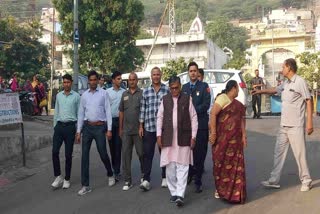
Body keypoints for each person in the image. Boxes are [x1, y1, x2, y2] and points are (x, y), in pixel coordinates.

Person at [253, 58, 313, 192]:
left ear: (289, 68)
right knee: (278, 153)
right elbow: (275, 90)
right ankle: (273, 180)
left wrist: (309, 122)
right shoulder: (285, 83)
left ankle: (306, 180)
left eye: (283, 67)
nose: (282, 70)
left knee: (300, 154)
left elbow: (308, 100)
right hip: (283, 126)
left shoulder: (300, 82)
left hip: (296, 126)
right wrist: (260, 91)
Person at [157, 76, 198, 207]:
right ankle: (173, 192)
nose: (174, 90)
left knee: (183, 166)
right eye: (172, 88)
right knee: (169, 167)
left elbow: (194, 118)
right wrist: (158, 135)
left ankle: (180, 194)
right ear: (169, 88)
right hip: (168, 138)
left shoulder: (187, 99)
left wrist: (193, 136)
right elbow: (159, 118)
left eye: (176, 88)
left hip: (184, 137)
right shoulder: (165, 99)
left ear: (180, 87)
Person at [76, 70, 115, 196]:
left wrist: (109, 129)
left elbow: (108, 111)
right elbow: (81, 113)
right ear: (88, 81)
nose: (92, 82)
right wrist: (78, 131)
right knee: (84, 157)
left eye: (94, 80)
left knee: (103, 152)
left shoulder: (103, 94)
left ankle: (110, 173)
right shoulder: (84, 95)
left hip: (100, 127)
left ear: (98, 81)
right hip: (87, 128)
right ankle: (85, 185)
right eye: (90, 80)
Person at [209, 80, 247, 203]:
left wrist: (244, 136)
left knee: (236, 166)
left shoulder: (238, 105)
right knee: (220, 164)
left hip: (235, 142)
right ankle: (221, 190)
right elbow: (213, 114)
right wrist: (213, 133)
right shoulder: (222, 98)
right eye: (238, 89)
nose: (238, 92)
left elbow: (241, 120)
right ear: (234, 88)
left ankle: (236, 194)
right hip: (222, 140)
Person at [139, 67, 170, 191]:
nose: (156, 76)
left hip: (162, 129)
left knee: (164, 153)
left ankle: (165, 177)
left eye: (158, 74)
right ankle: (146, 180)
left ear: (161, 75)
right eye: (154, 74)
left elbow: (169, 109)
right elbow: (142, 110)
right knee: (148, 155)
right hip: (149, 127)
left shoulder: (167, 90)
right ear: (151, 76)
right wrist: (140, 126)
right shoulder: (145, 91)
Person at [182, 62, 211, 193]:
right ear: (188, 72)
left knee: (200, 154)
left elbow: (206, 104)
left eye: (195, 71)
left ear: (198, 72)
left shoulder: (204, 86)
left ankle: (198, 180)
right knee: (188, 153)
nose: (193, 73)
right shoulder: (184, 88)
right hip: (187, 127)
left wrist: (192, 111)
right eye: (191, 71)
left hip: (201, 125)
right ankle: (191, 174)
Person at [51, 74, 80, 189]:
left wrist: (78, 131)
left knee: (68, 154)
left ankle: (67, 178)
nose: (66, 84)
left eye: (68, 82)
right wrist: (55, 126)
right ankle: (58, 176)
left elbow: (79, 114)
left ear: (71, 83)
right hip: (59, 127)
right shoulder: (59, 96)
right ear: (62, 83)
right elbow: (56, 111)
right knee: (54, 152)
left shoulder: (77, 96)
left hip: (70, 127)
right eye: (64, 82)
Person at [119, 72, 144, 191]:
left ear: (137, 80)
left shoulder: (142, 94)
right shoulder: (124, 94)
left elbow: (144, 112)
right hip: (126, 131)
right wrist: (120, 128)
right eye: (130, 79)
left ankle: (144, 176)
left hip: (138, 131)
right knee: (126, 156)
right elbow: (121, 112)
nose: (132, 81)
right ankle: (128, 180)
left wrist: (142, 126)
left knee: (141, 154)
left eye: (134, 79)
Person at [106, 71, 126, 181]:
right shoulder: (107, 92)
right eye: (118, 78)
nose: (120, 80)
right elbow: (105, 109)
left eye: (120, 78)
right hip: (110, 122)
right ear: (113, 80)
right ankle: (114, 168)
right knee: (112, 148)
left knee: (118, 147)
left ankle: (117, 171)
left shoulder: (124, 92)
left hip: (120, 122)